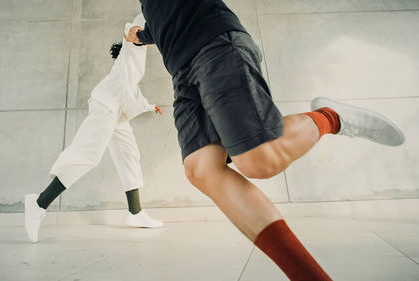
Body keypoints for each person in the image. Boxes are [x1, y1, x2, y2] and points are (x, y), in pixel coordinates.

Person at [125, 1, 405, 280]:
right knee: (201, 168)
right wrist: (139, 36)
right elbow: (160, 24)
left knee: (259, 159)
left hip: (214, 43)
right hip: (183, 76)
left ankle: (331, 118)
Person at [25, 14, 164, 243]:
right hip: (106, 105)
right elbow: (133, 31)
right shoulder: (131, 47)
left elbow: (131, 92)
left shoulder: (134, 62)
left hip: (118, 111)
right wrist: (143, 29)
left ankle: (136, 213)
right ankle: (39, 203)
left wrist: (150, 105)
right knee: (88, 154)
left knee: (129, 156)